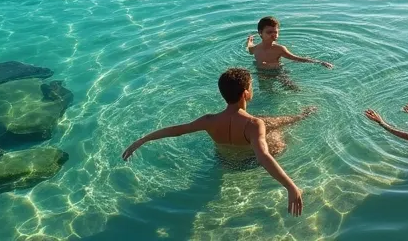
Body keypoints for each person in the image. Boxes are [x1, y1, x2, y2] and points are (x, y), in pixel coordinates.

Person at [120, 68, 311, 216]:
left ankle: (298, 116)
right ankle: (301, 116)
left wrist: (143, 139)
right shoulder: (254, 124)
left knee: (268, 124)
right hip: (248, 164)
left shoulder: (209, 120)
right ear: (246, 93)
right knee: (277, 135)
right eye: (251, 87)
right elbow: (263, 157)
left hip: (224, 162)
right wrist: (290, 186)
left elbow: (177, 130)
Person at [246, 16, 334, 70]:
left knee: (292, 87)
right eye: (269, 32)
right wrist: (250, 40)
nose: (273, 35)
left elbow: (296, 58)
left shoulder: (279, 49)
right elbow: (249, 47)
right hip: (261, 73)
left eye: (275, 32)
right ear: (260, 33)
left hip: (278, 71)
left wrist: (319, 62)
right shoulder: (255, 49)